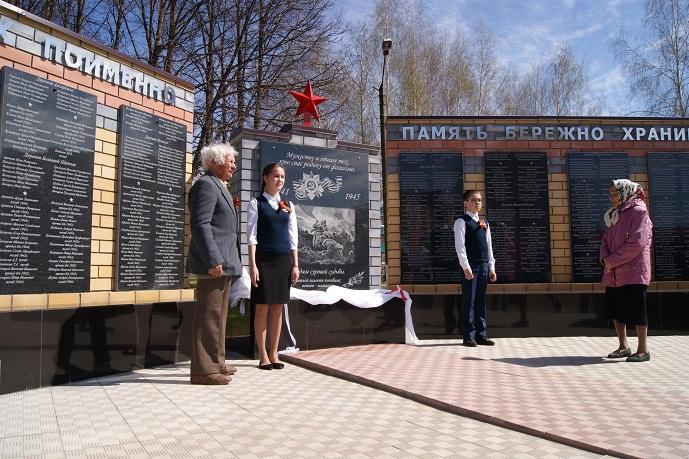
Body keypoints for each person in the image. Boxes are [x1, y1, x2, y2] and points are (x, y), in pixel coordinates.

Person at [187, 143, 242, 385]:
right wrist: (212, 259)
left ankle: (216, 362)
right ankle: (203, 370)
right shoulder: (206, 185)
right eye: (230, 161)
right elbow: (201, 225)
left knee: (218, 317)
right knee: (208, 317)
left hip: (224, 262)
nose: (234, 166)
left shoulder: (218, 186)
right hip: (214, 263)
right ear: (217, 161)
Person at [247, 163, 299, 370]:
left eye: (283, 177)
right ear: (265, 178)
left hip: (283, 261)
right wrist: (252, 266)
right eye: (276, 176)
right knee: (262, 307)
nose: (279, 180)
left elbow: (293, 237)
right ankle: (262, 355)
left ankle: (274, 352)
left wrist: (295, 265)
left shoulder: (288, 205)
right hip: (263, 261)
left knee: (278, 307)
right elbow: (251, 237)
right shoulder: (256, 203)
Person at [600, 179, 653, 362]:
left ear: (626, 192)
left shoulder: (639, 212)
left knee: (637, 311)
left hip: (634, 272)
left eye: (615, 193)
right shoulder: (615, 214)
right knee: (616, 309)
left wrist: (612, 261)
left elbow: (637, 243)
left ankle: (642, 349)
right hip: (613, 271)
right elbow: (605, 240)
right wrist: (605, 258)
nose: (612, 197)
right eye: (611, 194)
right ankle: (623, 346)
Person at [454, 190, 497, 347]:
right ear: (466, 203)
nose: (478, 202)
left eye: (479, 200)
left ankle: (481, 334)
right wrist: (465, 266)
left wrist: (491, 266)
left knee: (480, 301)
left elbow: (489, 246)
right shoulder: (461, 221)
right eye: (473, 200)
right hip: (471, 266)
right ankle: (468, 335)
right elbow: (460, 247)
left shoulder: (484, 223)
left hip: (484, 265)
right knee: (469, 300)